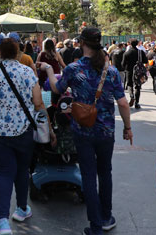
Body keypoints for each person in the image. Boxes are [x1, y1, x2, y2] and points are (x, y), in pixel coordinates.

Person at [40, 28, 132, 235]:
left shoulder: (73, 69)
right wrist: (128, 128)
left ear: (82, 43)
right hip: (106, 131)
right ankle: (106, 216)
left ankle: (96, 226)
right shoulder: (111, 71)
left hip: (83, 131)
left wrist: (47, 70)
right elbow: (124, 104)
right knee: (105, 173)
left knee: (89, 176)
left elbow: (57, 89)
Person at [0, 37, 54, 235]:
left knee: (4, 172)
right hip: (22, 129)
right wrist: (49, 127)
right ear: (17, 53)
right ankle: (22, 209)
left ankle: (3, 222)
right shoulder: (27, 72)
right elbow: (38, 103)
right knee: (22, 170)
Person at [122, 39, 147, 109]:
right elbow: (145, 60)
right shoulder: (140, 52)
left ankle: (131, 96)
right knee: (138, 86)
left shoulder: (126, 53)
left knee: (129, 84)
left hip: (129, 71)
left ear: (130, 44)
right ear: (137, 44)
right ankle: (137, 102)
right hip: (138, 71)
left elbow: (123, 64)